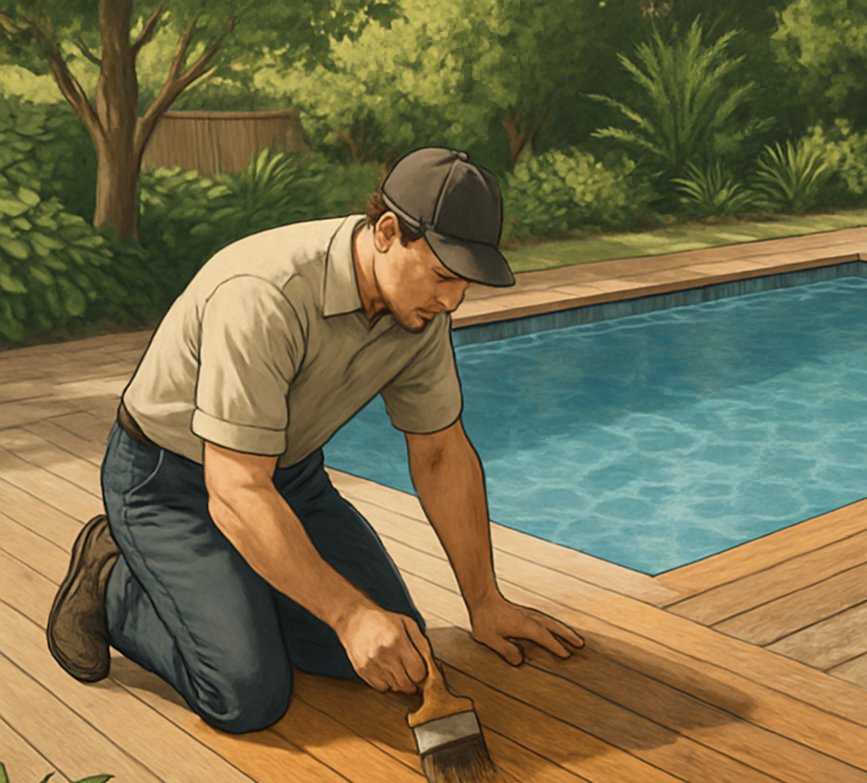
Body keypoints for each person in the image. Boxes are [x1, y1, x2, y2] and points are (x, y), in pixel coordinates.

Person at [46, 147, 583, 733]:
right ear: (386, 232)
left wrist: (485, 602)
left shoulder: (419, 312)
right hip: (170, 481)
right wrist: (347, 613)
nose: (452, 300)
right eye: (444, 276)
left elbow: (439, 452)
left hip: (289, 479)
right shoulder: (263, 294)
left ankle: (239, 588)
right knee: (247, 692)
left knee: (399, 652)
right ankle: (114, 581)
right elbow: (233, 489)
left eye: (465, 284)